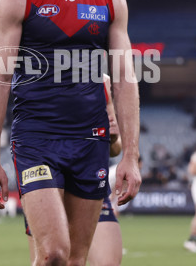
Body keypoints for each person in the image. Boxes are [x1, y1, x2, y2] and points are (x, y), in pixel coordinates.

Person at [0, 0, 141, 266]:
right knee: (53, 253)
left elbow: (125, 79)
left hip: (91, 142)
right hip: (37, 138)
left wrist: (131, 154)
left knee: (75, 260)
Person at [26, 74, 123, 266]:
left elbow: (115, 148)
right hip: (47, 182)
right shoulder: (38, 73)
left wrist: (111, 137)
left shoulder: (102, 81)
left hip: (89, 176)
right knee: (52, 258)